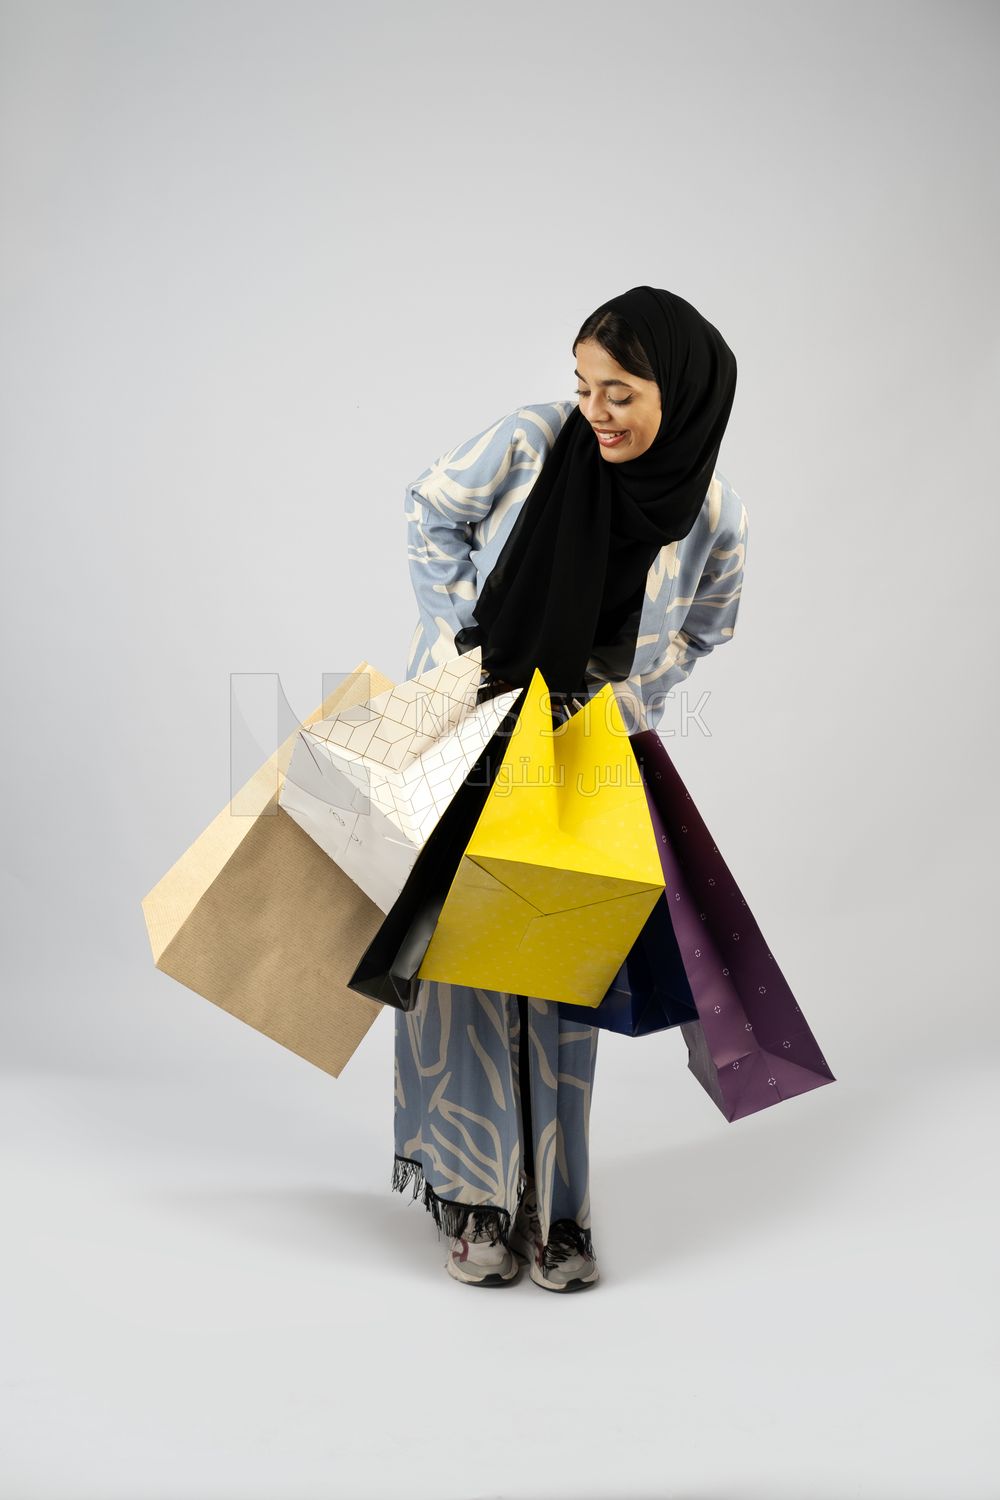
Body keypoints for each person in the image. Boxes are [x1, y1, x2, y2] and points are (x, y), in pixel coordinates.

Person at [391, 285, 749, 1291]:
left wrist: (636, 693)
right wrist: (461, 643)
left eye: (620, 392)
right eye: (584, 385)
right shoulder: (531, 441)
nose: (595, 409)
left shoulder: (710, 510)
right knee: (460, 962)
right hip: (477, 725)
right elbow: (430, 506)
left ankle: (558, 1212)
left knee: (559, 965)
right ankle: (473, 1201)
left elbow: (710, 620)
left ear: (680, 395)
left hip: (583, 746)